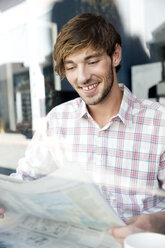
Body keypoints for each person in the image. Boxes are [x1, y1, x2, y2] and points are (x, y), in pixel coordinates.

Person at [1, 13, 165, 245]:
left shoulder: (159, 122)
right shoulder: (57, 120)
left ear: (115, 55)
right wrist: (6, 199)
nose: (83, 77)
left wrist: (156, 223)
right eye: (71, 67)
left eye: (92, 61)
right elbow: (27, 180)